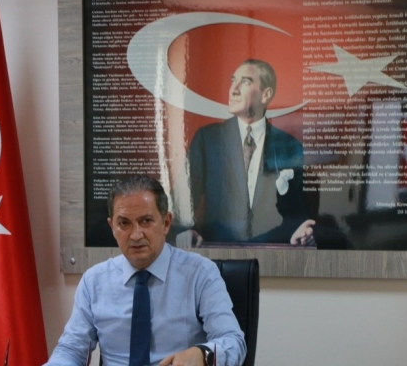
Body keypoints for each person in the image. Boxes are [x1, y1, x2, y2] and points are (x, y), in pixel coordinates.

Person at [44, 175, 246, 366]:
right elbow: (71, 350)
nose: (136, 235)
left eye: (146, 221)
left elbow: (234, 342)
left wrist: (203, 354)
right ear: (112, 227)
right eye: (124, 223)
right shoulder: (94, 282)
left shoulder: (200, 274)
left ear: (166, 223)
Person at [177, 59, 315, 247]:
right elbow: (182, 200)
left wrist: (302, 230)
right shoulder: (207, 140)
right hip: (216, 253)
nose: (233, 90)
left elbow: (298, 212)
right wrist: (184, 231)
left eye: (245, 82)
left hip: (273, 253)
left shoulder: (290, 145)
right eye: (233, 81)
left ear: (265, 95)